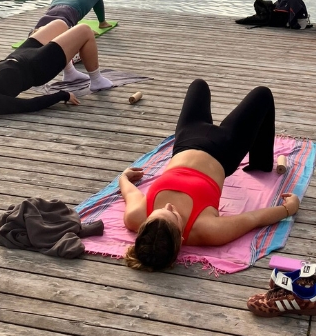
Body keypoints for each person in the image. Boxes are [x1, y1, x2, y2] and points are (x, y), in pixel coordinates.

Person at [119, 79, 299, 271]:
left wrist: (123, 177)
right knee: (262, 94)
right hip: (224, 149)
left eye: (161, 209)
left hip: (186, 140)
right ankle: (261, 163)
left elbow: (130, 193)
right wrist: (288, 209)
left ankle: (258, 158)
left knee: (199, 85)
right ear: (181, 239)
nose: (170, 205)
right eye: (173, 214)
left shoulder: (135, 217)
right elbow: (253, 218)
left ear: (144, 224)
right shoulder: (208, 231)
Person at [30, 0, 111, 87]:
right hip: (64, 6)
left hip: (68, 7)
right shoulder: (36, 36)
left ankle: (70, 72)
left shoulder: (38, 37)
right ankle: (102, 23)